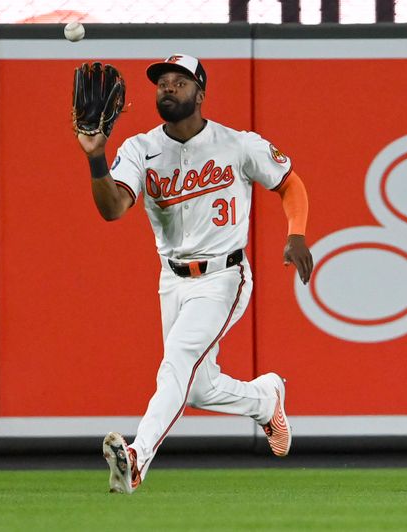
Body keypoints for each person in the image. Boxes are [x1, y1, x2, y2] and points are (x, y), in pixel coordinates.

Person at [76, 54, 313, 494]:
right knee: (197, 388)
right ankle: (265, 400)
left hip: (224, 277)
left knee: (177, 363)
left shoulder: (237, 144)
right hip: (172, 279)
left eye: (179, 82)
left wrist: (296, 234)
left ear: (200, 94)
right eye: (162, 82)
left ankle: (136, 457)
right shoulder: (139, 149)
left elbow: (290, 183)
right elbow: (112, 209)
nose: (167, 87)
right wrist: (96, 159)